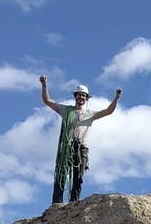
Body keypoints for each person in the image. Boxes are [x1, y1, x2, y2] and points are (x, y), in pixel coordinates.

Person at [39, 77, 121, 205]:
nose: (81, 98)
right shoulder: (66, 110)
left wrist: (116, 98)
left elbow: (108, 111)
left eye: (83, 96)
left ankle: (74, 202)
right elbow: (47, 101)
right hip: (67, 146)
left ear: (86, 98)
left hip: (81, 147)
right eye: (79, 95)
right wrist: (44, 86)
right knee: (61, 174)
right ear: (75, 97)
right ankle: (57, 203)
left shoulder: (90, 114)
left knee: (78, 177)